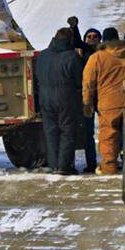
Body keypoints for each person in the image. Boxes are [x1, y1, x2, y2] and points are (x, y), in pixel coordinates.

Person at [32, 27, 84, 174]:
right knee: (67, 131)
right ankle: (64, 166)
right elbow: (80, 80)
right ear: (70, 40)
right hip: (65, 98)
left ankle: (54, 165)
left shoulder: (42, 56)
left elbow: (37, 76)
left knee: (50, 131)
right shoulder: (72, 57)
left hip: (45, 98)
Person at [82, 27, 125, 175]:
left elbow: (88, 83)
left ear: (103, 40)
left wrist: (87, 103)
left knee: (109, 136)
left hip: (109, 103)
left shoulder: (97, 57)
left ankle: (109, 167)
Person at [79, 27, 103, 173]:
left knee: (108, 130)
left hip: (102, 97)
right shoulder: (80, 56)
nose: (92, 39)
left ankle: (110, 161)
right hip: (88, 98)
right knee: (88, 133)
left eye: (95, 37)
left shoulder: (103, 56)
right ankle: (91, 162)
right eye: (89, 36)